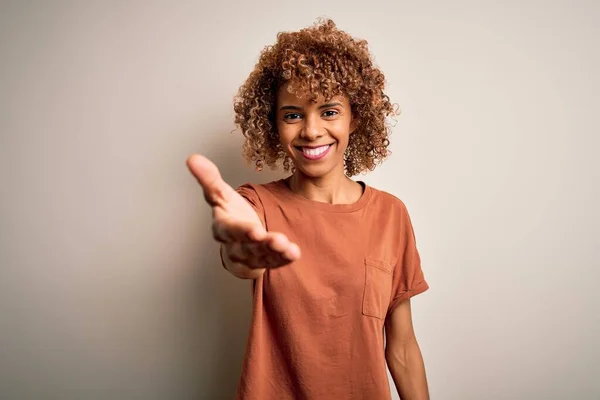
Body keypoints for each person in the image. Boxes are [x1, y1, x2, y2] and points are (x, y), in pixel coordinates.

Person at [187, 19, 430, 400]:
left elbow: (401, 347)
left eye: (329, 111)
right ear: (274, 125)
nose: (312, 131)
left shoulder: (390, 215)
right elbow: (242, 258)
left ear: (356, 117)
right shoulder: (257, 205)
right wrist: (241, 246)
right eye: (293, 114)